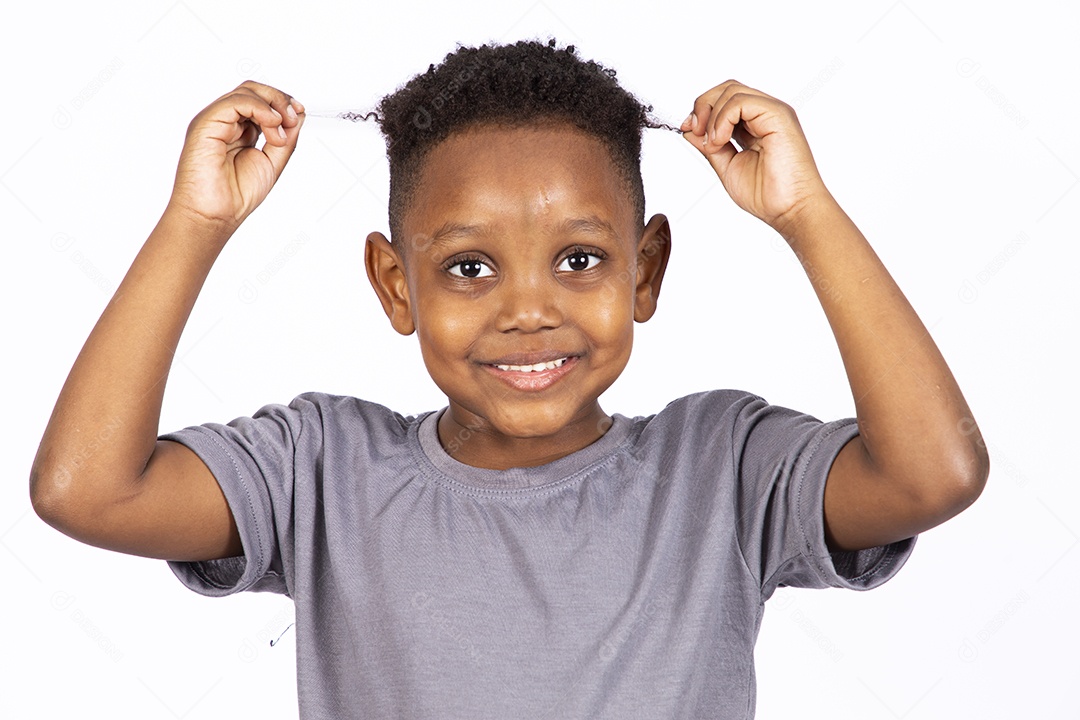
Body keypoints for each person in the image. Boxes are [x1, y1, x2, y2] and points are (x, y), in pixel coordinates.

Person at [30, 39, 988, 718]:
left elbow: (931, 474)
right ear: (394, 284)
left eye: (580, 259)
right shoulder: (319, 469)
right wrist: (195, 222)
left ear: (645, 271)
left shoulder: (724, 469)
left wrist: (806, 211)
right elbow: (88, 489)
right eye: (469, 268)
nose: (528, 310)